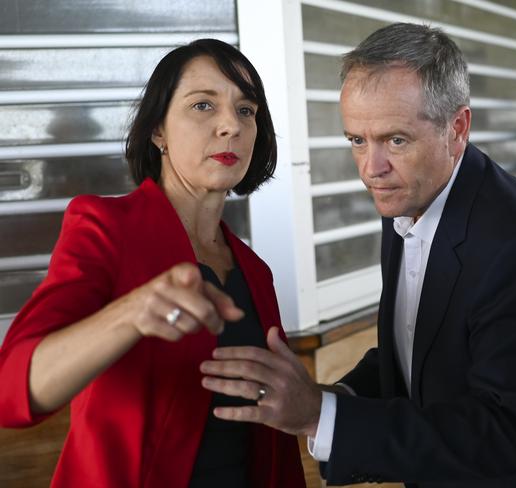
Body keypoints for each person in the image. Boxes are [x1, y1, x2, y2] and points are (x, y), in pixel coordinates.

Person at [198, 24, 516, 487]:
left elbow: (497, 435)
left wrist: (321, 415)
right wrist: (328, 395)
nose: (371, 169)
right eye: (357, 140)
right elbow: (418, 347)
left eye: (396, 140)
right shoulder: (409, 193)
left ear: (457, 129)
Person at [0, 39, 305, 488]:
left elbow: (272, 442)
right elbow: (12, 391)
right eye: (203, 105)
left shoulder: (255, 271)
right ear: (158, 130)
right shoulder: (105, 227)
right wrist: (130, 313)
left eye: (246, 110)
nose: (230, 126)